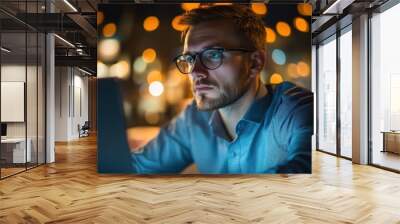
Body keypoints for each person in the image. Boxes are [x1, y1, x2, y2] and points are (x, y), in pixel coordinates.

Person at [130, 4, 313, 174]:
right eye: (190, 59)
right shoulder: (193, 119)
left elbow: (307, 170)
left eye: (213, 55)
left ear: (255, 63)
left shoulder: (295, 110)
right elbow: (135, 167)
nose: (195, 72)